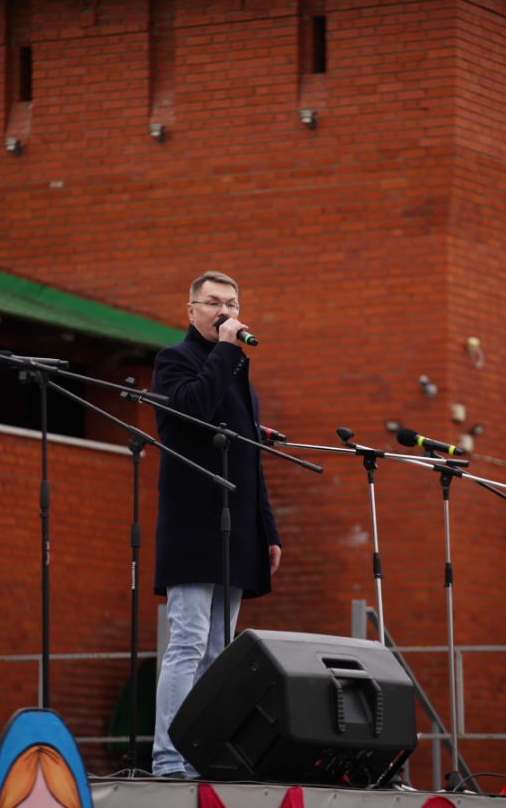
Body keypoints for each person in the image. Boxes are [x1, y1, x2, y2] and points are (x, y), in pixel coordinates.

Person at [151, 270, 282, 779]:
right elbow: (191, 412)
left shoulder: (238, 370)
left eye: (232, 303)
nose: (224, 311)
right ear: (191, 310)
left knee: (221, 651)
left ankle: (203, 757)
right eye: (213, 303)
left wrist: (267, 528)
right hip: (193, 523)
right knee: (187, 641)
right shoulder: (175, 360)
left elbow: (250, 458)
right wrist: (226, 350)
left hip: (237, 526)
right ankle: (169, 758)